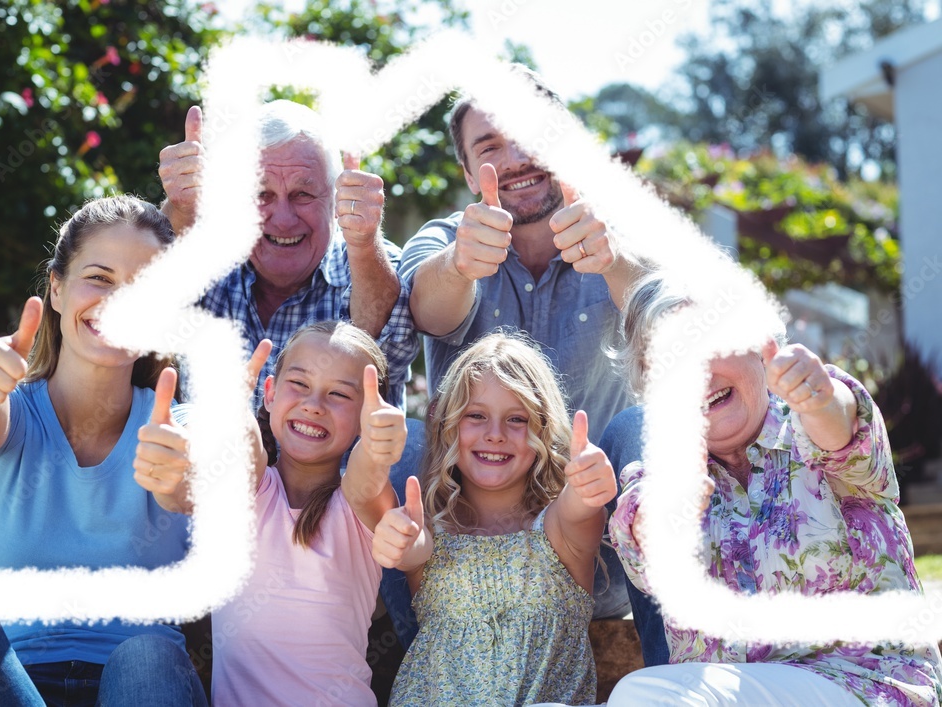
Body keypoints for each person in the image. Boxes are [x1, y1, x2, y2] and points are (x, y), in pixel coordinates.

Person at [390, 66, 666, 662]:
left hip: (599, 562)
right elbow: (427, 310)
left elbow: (673, 311)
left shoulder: (625, 236)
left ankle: (676, 674)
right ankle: (430, 675)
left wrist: (615, 263)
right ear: (468, 174)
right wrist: (462, 265)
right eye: (490, 147)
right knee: (401, 444)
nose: (515, 157)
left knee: (639, 430)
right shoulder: (444, 241)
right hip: (464, 563)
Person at [606, 271, 942, 705]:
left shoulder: (811, 425)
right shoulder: (656, 473)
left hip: (864, 688)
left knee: (642, 694)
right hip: (724, 695)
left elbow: (840, 423)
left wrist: (820, 401)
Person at [0, 196, 207, 706]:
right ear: (57, 289)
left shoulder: (179, 424)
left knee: (147, 653)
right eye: (100, 278)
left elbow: (201, 482)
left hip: (138, 689)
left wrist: (181, 481)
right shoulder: (3, 404)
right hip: (4, 687)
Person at [162, 321, 405, 706]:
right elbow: (247, 452)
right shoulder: (248, 489)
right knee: (147, 654)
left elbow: (367, 473)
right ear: (270, 394)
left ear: (366, 417)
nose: (313, 404)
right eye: (300, 385)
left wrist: (380, 447)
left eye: (339, 394)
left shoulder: (359, 503)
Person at [373, 332, 617, 706]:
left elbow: (578, 508)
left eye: (516, 419)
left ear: (544, 430)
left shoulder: (558, 533)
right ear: (448, 425)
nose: (495, 434)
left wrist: (588, 483)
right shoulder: (432, 531)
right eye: (476, 416)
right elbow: (413, 548)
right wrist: (398, 538)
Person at [158, 100, 418, 409]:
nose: (283, 219)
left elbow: (382, 346)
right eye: (261, 194)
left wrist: (363, 243)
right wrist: (181, 208)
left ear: (337, 200)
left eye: (303, 195)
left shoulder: (374, 264)